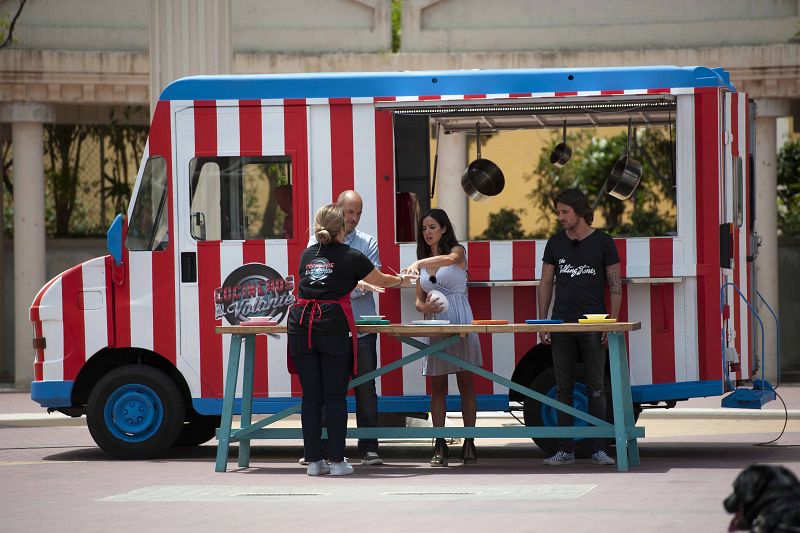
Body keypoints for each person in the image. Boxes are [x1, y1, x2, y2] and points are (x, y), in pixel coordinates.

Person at [288, 203, 415, 476]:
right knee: (335, 397)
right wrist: (403, 280)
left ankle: (313, 462)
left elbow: (323, 282)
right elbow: (381, 279)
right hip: (332, 325)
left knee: (311, 397)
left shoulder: (306, 255)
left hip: (301, 326)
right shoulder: (351, 256)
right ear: (342, 228)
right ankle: (336, 461)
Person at [537, 188, 622, 466]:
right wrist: (544, 320)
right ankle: (565, 449)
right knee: (563, 387)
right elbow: (546, 282)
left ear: (579, 211)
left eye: (565, 212)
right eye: (558, 212)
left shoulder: (604, 242)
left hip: (594, 322)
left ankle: (599, 448)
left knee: (596, 387)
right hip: (561, 322)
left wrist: (612, 321)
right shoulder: (555, 243)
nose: (560, 217)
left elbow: (616, 286)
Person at [301, 190, 385, 467]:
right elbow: (326, 283)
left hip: (360, 325)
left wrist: (338, 286)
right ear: (338, 211)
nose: (354, 218)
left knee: (365, 387)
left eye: (359, 213)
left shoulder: (367, 242)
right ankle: (324, 451)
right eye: (350, 212)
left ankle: (369, 447)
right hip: (330, 325)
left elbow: (374, 282)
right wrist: (351, 283)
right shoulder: (317, 241)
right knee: (327, 392)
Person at [402, 208, 481, 467]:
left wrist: (419, 264)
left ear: (444, 228)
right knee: (437, 385)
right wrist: (424, 308)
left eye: (433, 227)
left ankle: (469, 441)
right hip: (435, 323)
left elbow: (449, 260)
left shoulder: (457, 252)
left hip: (459, 318)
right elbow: (418, 299)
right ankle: (439, 442)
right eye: (424, 228)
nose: (428, 233)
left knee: (466, 382)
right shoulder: (423, 259)